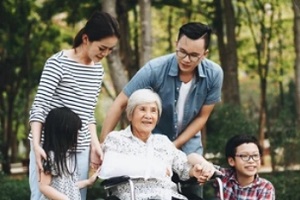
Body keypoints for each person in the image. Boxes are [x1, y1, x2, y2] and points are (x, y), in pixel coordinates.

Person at [99, 22, 223, 198]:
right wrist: (102, 146)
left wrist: (171, 148)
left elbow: (202, 118)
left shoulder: (214, 74)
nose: (186, 59)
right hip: (150, 143)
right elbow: (119, 104)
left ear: (205, 54)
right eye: (182, 51)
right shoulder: (155, 69)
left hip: (186, 146)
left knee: (192, 190)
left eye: (194, 55)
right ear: (176, 44)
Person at [28, 10, 120, 200]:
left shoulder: (98, 71)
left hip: (80, 148)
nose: (105, 54)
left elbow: (88, 114)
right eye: (102, 48)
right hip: (50, 147)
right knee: (42, 196)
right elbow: (39, 107)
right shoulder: (57, 63)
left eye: (110, 50)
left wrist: (95, 144)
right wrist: (37, 146)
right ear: (86, 39)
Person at [98, 89, 216, 200]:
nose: (148, 116)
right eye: (142, 109)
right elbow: (109, 169)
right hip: (135, 196)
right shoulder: (116, 139)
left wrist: (195, 170)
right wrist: (154, 168)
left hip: (169, 196)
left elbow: (183, 166)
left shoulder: (163, 142)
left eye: (153, 111)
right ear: (130, 114)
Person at [189, 134, 276, 200]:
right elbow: (191, 157)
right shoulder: (223, 176)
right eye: (244, 156)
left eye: (255, 155)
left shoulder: (265, 187)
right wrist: (206, 165)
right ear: (231, 161)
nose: (251, 160)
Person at [39, 107, 99, 200]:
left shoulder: (66, 156)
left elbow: (70, 187)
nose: (78, 134)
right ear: (64, 132)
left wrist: (88, 182)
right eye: (76, 131)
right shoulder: (51, 157)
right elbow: (44, 187)